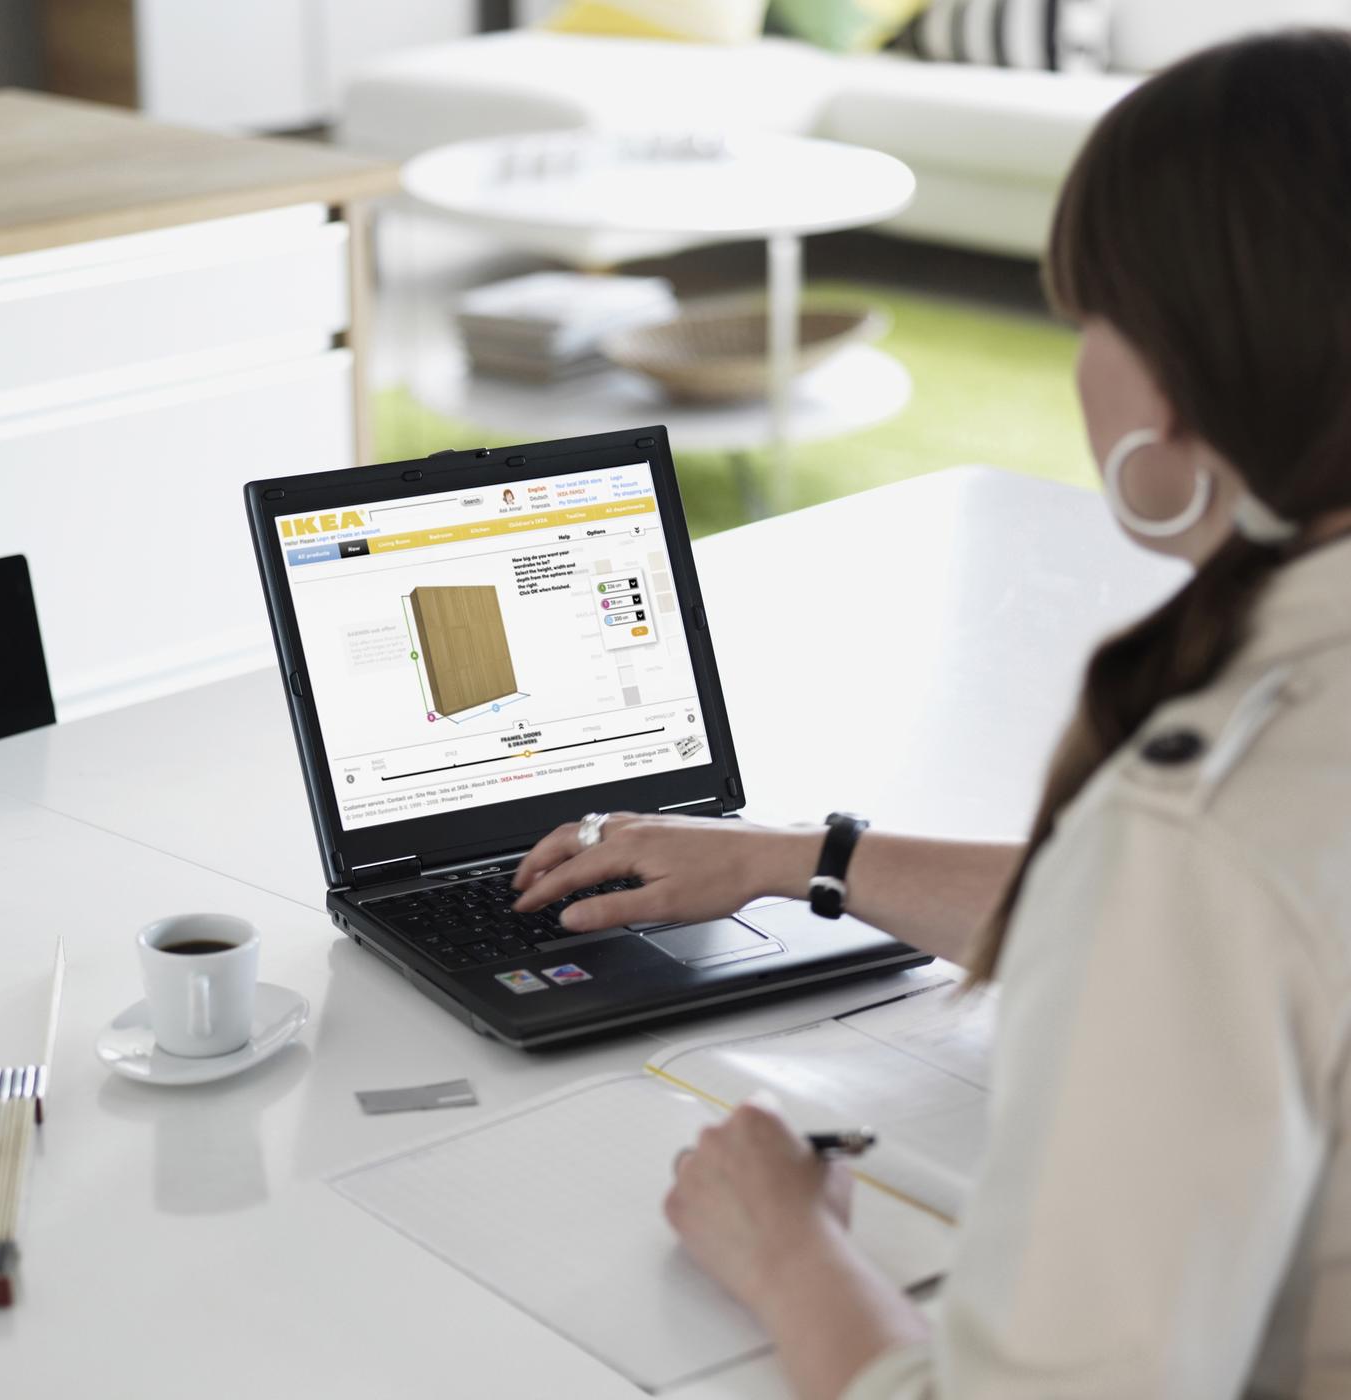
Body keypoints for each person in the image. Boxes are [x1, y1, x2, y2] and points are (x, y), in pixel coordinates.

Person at [511, 30, 1351, 1399]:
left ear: (1182, 384)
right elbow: (1257, 924)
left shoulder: (1205, 828)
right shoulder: (1225, 838)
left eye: (1093, 325)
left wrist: (788, 1254)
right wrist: (802, 861)